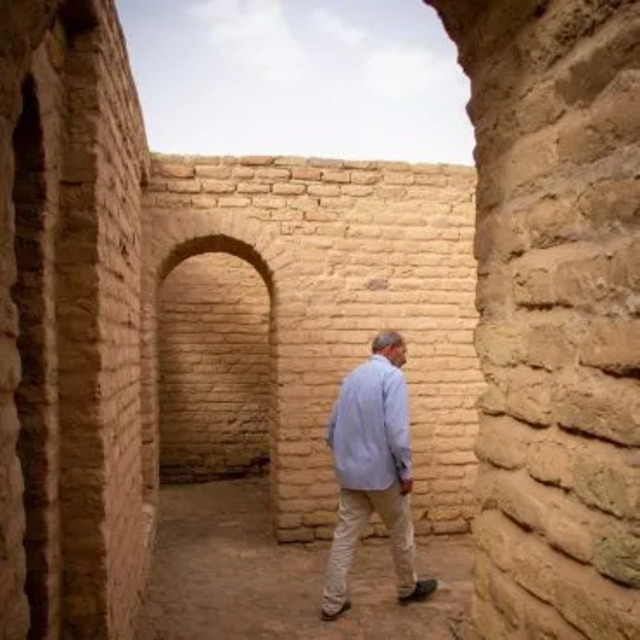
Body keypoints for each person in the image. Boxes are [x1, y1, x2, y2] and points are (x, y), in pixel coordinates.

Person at [320, 330, 438, 622]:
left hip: (351, 477)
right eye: (404, 351)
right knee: (401, 531)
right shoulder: (392, 378)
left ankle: (331, 603)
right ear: (391, 349)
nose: (406, 357)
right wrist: (406, 470)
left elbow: (330, 431)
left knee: (344, 538)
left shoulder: (351, 378)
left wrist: (349, 459)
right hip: (383, 476)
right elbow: (397, 432)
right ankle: (407, 588)